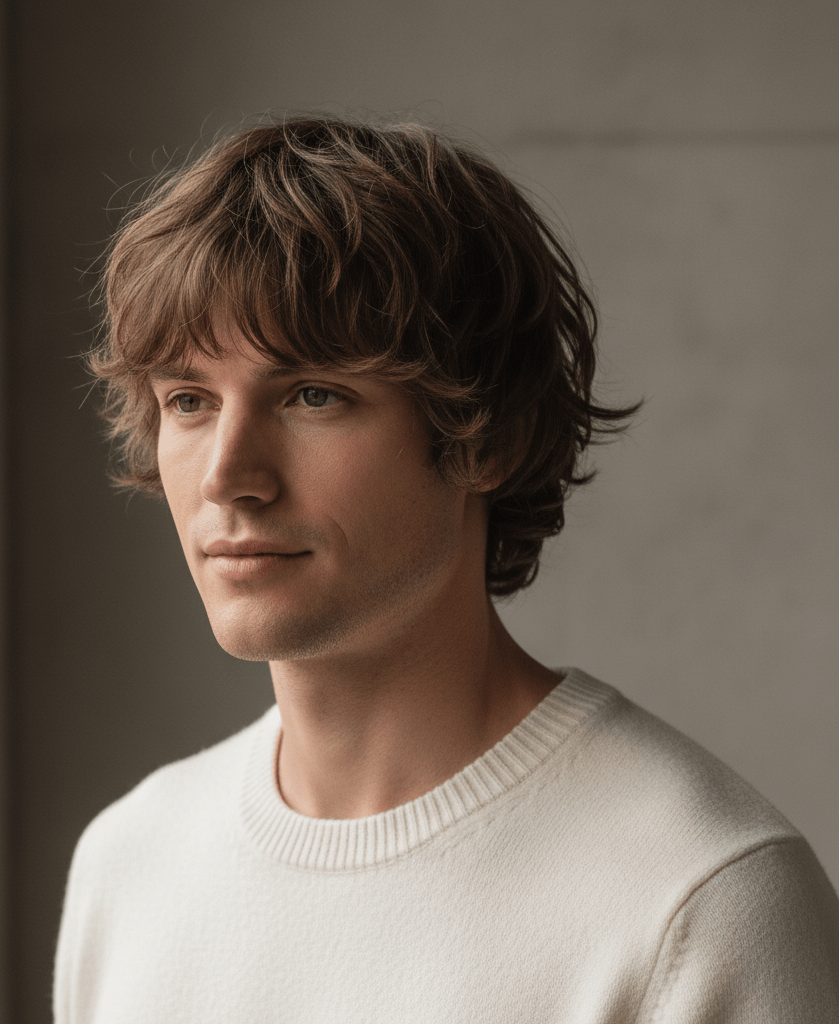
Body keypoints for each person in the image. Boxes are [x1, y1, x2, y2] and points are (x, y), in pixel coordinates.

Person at [54, 116, 839, 1022]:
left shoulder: (697, 902)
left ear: (488, 436)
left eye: (314, 396)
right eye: (188, 400)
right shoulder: (131, 864)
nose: (228, 474)